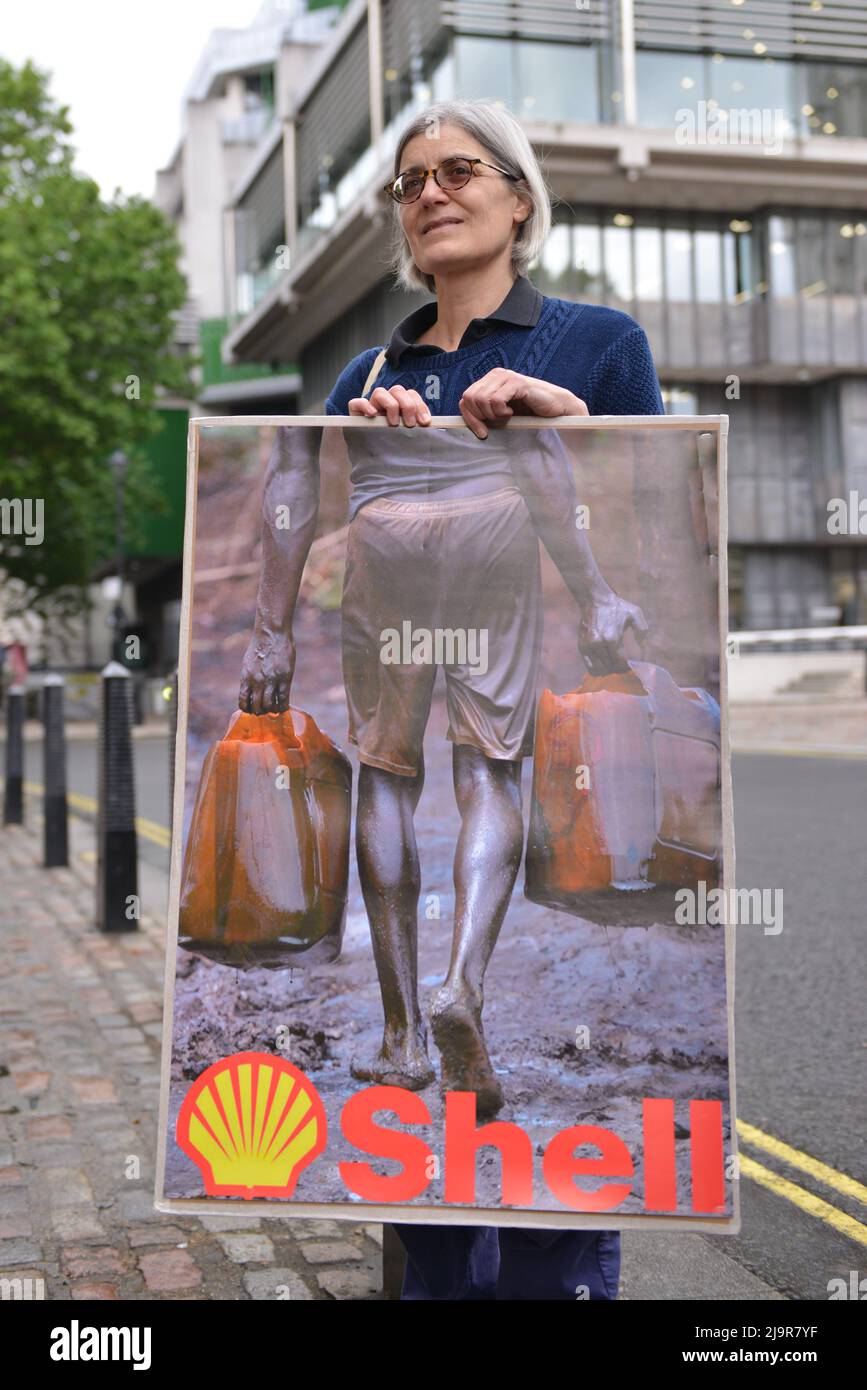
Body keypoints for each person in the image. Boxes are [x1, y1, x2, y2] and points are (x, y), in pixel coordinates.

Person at [240, 97, 664, 1300]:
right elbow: (294, 461)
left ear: (520, 199)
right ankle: (460, 984)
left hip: (388, 538)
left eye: (458, 170)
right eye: (410, 180)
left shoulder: (594, 343)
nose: (430, 192)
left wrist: (563, 410)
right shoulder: (368, 367)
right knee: (490, 768)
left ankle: (400, 1034)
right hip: (478, 535)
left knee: (387, 768)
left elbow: (661, 459)